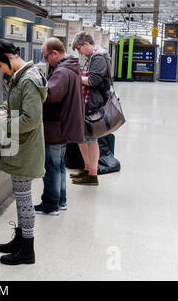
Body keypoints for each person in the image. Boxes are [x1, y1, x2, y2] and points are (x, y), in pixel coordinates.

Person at [0, 39, 47, 265]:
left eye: (0, 66)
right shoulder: (21, 76)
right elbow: (9, 103)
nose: (1, 71)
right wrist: (1, 112)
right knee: (22, 197)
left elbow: (30, 119)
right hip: (21, 147)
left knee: (24, 200)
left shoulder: (28, 81)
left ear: (8, 58)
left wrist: (3, 124)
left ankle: (27, 251)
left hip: (25, 148)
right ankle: (20, 241)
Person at [34, 37, 85, 215]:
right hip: (63, 125)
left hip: (56, 126)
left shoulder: (62, 72)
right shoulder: (70, 67)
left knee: (52, 167)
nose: (45, 61)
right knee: (59, 166)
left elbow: (51, 95)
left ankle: (51, 204)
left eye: (46, 57)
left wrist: (36, 83)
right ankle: (61, 201)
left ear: (55, 53)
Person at [71, 31, 112, 186]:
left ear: (86, 44)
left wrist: (74, 78)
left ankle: (93, 175)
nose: (79, 52)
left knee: (92, 139)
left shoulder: (99, 57)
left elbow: (94, 80)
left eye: (79, 49)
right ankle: (87, 169)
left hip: (94, 104)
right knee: (83, 137)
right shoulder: (92, 57)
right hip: (87, 103)